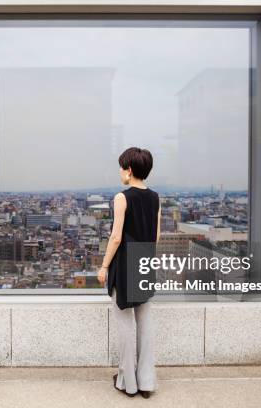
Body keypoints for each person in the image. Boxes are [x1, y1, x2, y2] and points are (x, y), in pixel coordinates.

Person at [97, 147, 161, 399]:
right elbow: (156, 236)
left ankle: (128, 383)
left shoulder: (122, 198)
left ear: (129, 170)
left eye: (122, 167)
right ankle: (147, 382)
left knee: (125, 325)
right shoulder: (156, 197)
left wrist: (103, 266)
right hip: (144, 261)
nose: (120, 171)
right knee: (145, 323)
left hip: (124, 264)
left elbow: (115, 237)